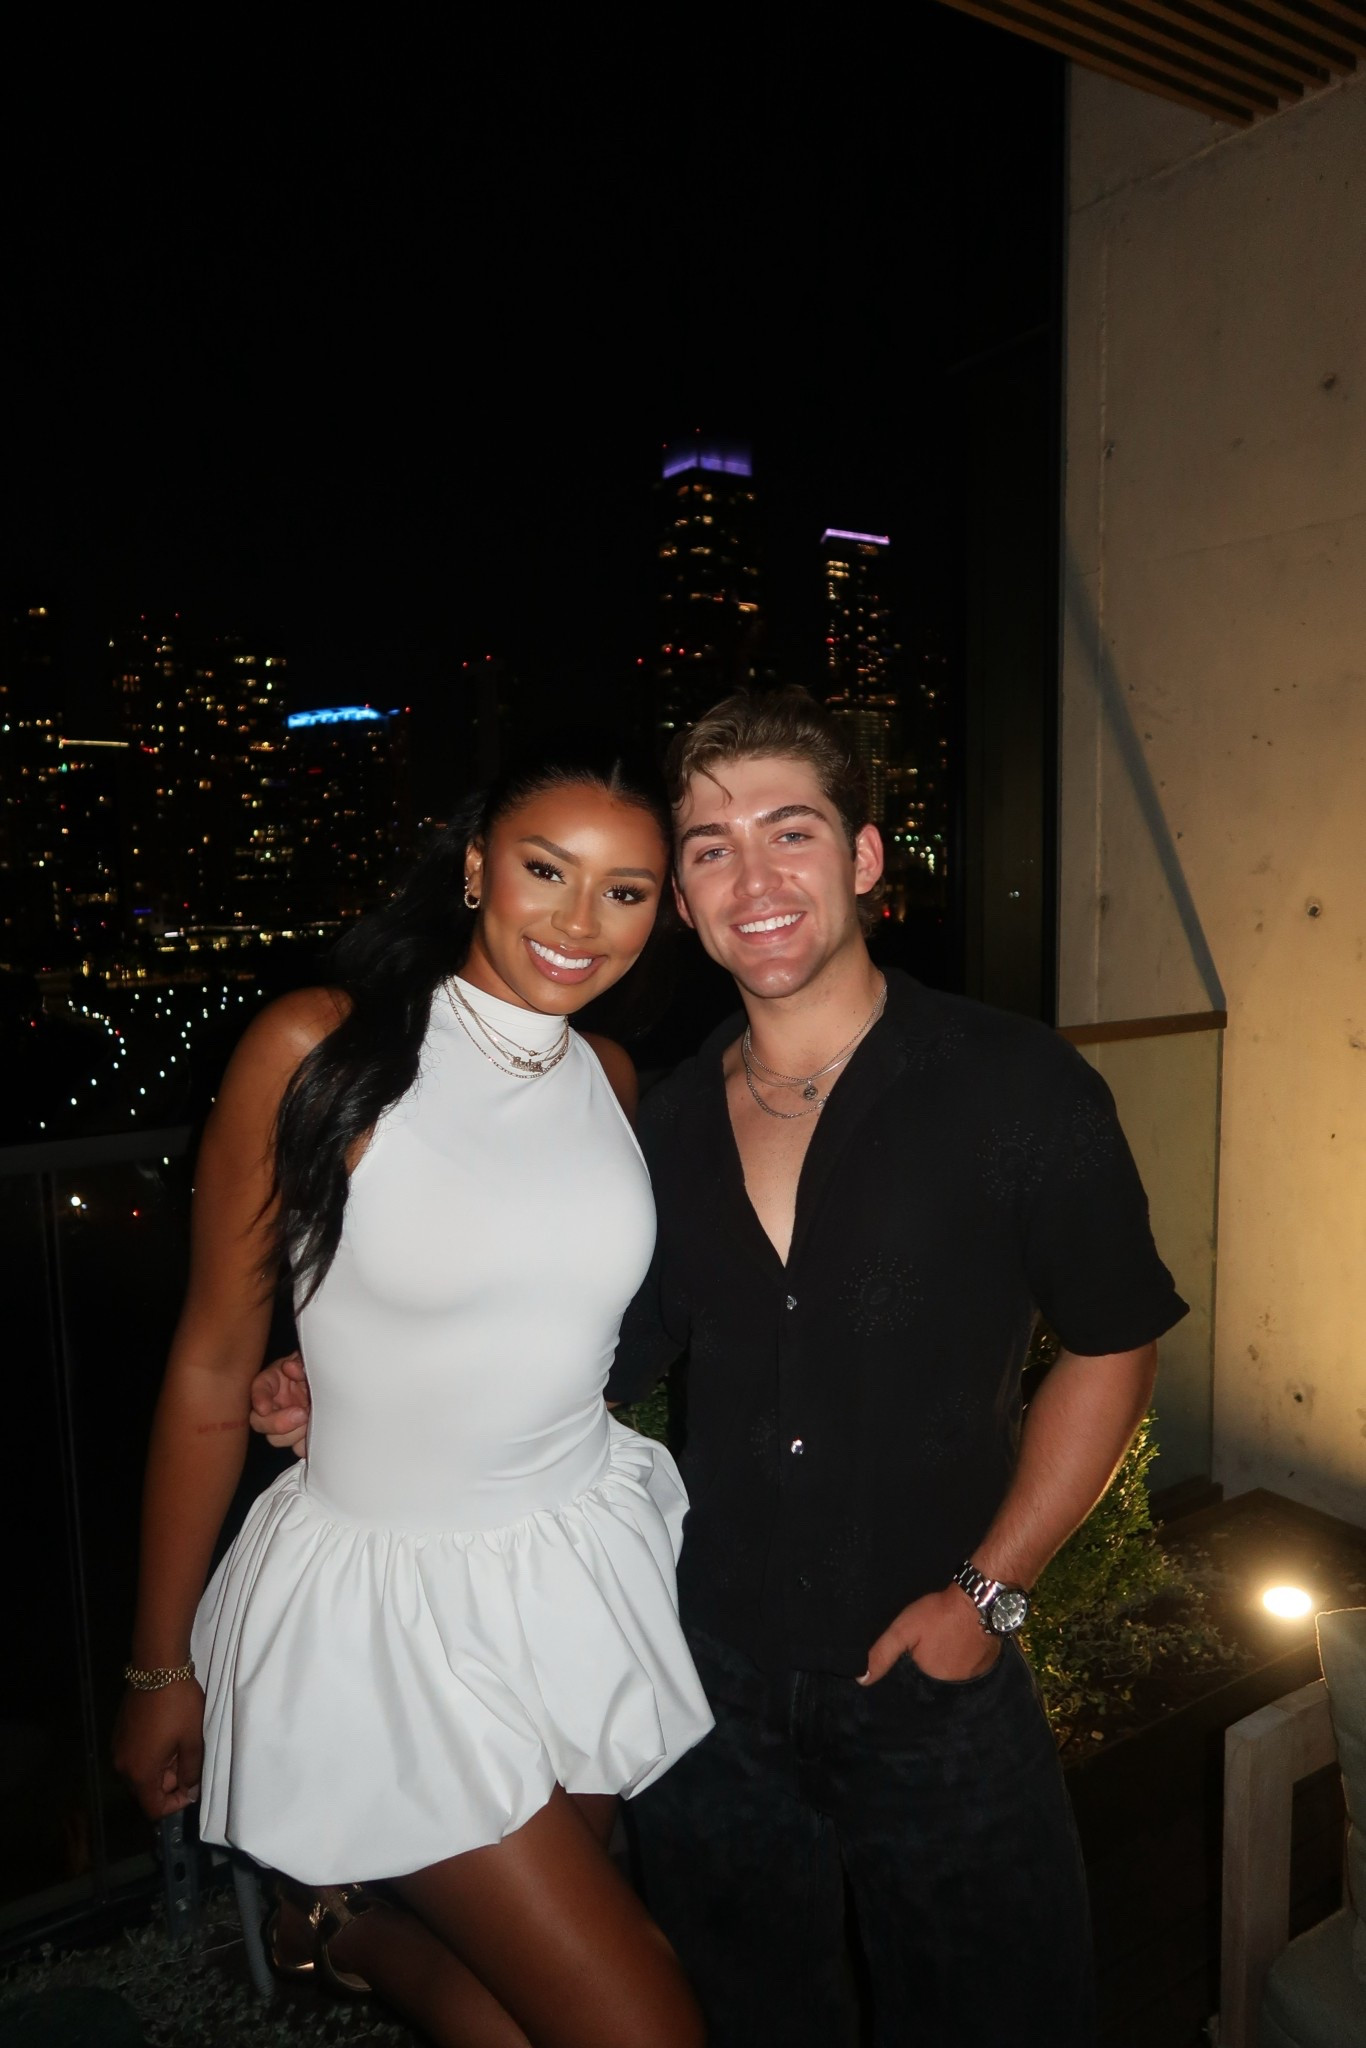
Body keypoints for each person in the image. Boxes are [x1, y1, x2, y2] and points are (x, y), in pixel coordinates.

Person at [254, 689, 1189, 2047]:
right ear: (680, 903)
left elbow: (1113, 1339)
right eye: (706, 848)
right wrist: (343, 1376)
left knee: (1006, 2013)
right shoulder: (663, 1116)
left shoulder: (1014, 1088)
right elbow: (580, 1351)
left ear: (863, 858)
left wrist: (989, 1595)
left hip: (930, 1671)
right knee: (746, 2014)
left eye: (789, 832)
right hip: (703, 1682)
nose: (752, 877)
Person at [114, 741, 713, 2048]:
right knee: (640, 2020)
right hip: (391, 1617)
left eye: (624, 890)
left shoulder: (606, 1076)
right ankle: (346, 1930)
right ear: (472, 867)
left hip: (569, 1575)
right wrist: (160, 1665)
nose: (577, 921)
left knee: (512, 2016)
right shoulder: (317, 1048)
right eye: (545, 871)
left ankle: (337, 1933)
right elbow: (213, 1362)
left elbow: (554, 1322)